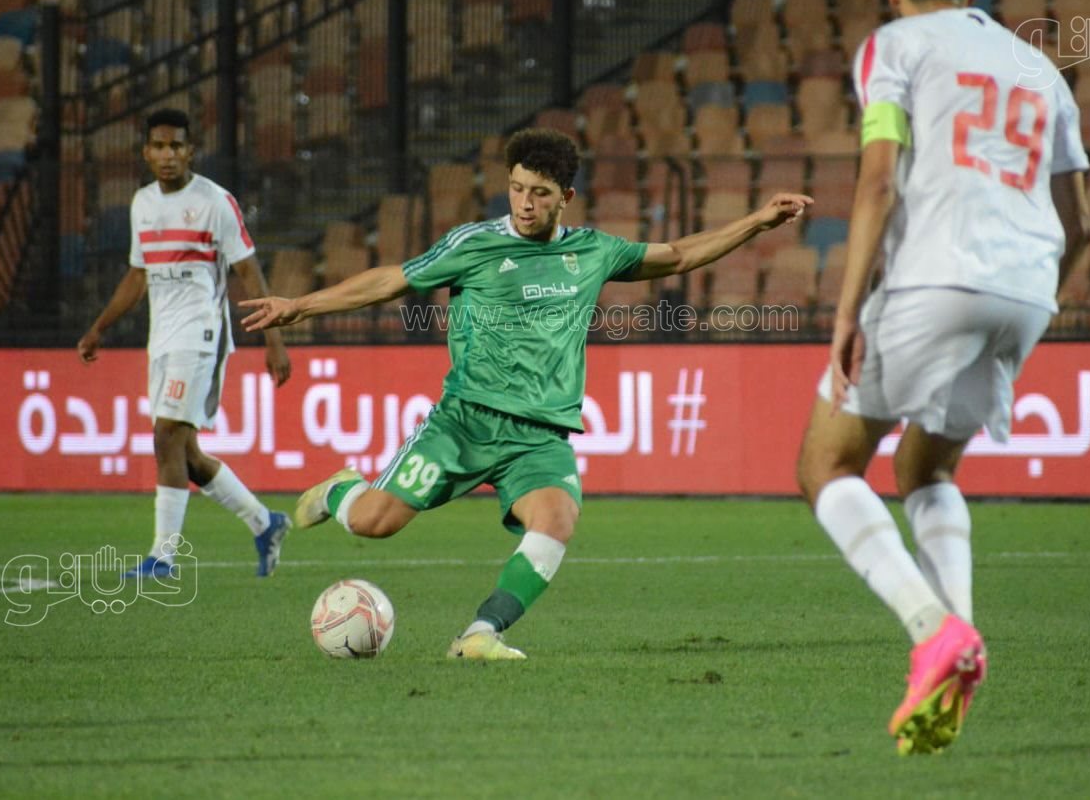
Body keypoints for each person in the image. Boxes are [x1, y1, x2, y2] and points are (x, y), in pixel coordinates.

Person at [242, 127, 812, 660]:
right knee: (373, 522)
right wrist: (300, 306)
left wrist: (757, 222)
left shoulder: (593, 251)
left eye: (539, 193)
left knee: (557, 518)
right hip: (464, 424)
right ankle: (341, 491)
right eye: (516, 188)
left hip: (538, 437)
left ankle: (480, 633)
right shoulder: (474, 244)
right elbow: (392, 278)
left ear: (566, 197)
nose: (524, 203)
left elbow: (680, 255)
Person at [795, 0, 1090, 755]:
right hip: (1028, 289)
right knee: (925, 468)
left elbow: (878, 182)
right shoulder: (1039, 68)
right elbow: (1083, 230)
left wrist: (847, 311)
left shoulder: (893, 46)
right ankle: (960, 640)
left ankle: (934, 630)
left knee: (825, 464)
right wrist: (1027, 301)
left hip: (935, 277)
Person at [78, 108, 294, 579]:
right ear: (146, 152)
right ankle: (265, 522)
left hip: (201, 333)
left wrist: (273, 340)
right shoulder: (142, 203)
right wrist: (100, 327)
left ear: (190, 150)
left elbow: (249, 271)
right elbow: (138, 276)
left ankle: (163, 556)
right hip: (162, 337)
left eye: (176, 145)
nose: (167, 155)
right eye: (158, 146)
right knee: (186, 455)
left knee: (165, 437)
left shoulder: (216, 202)